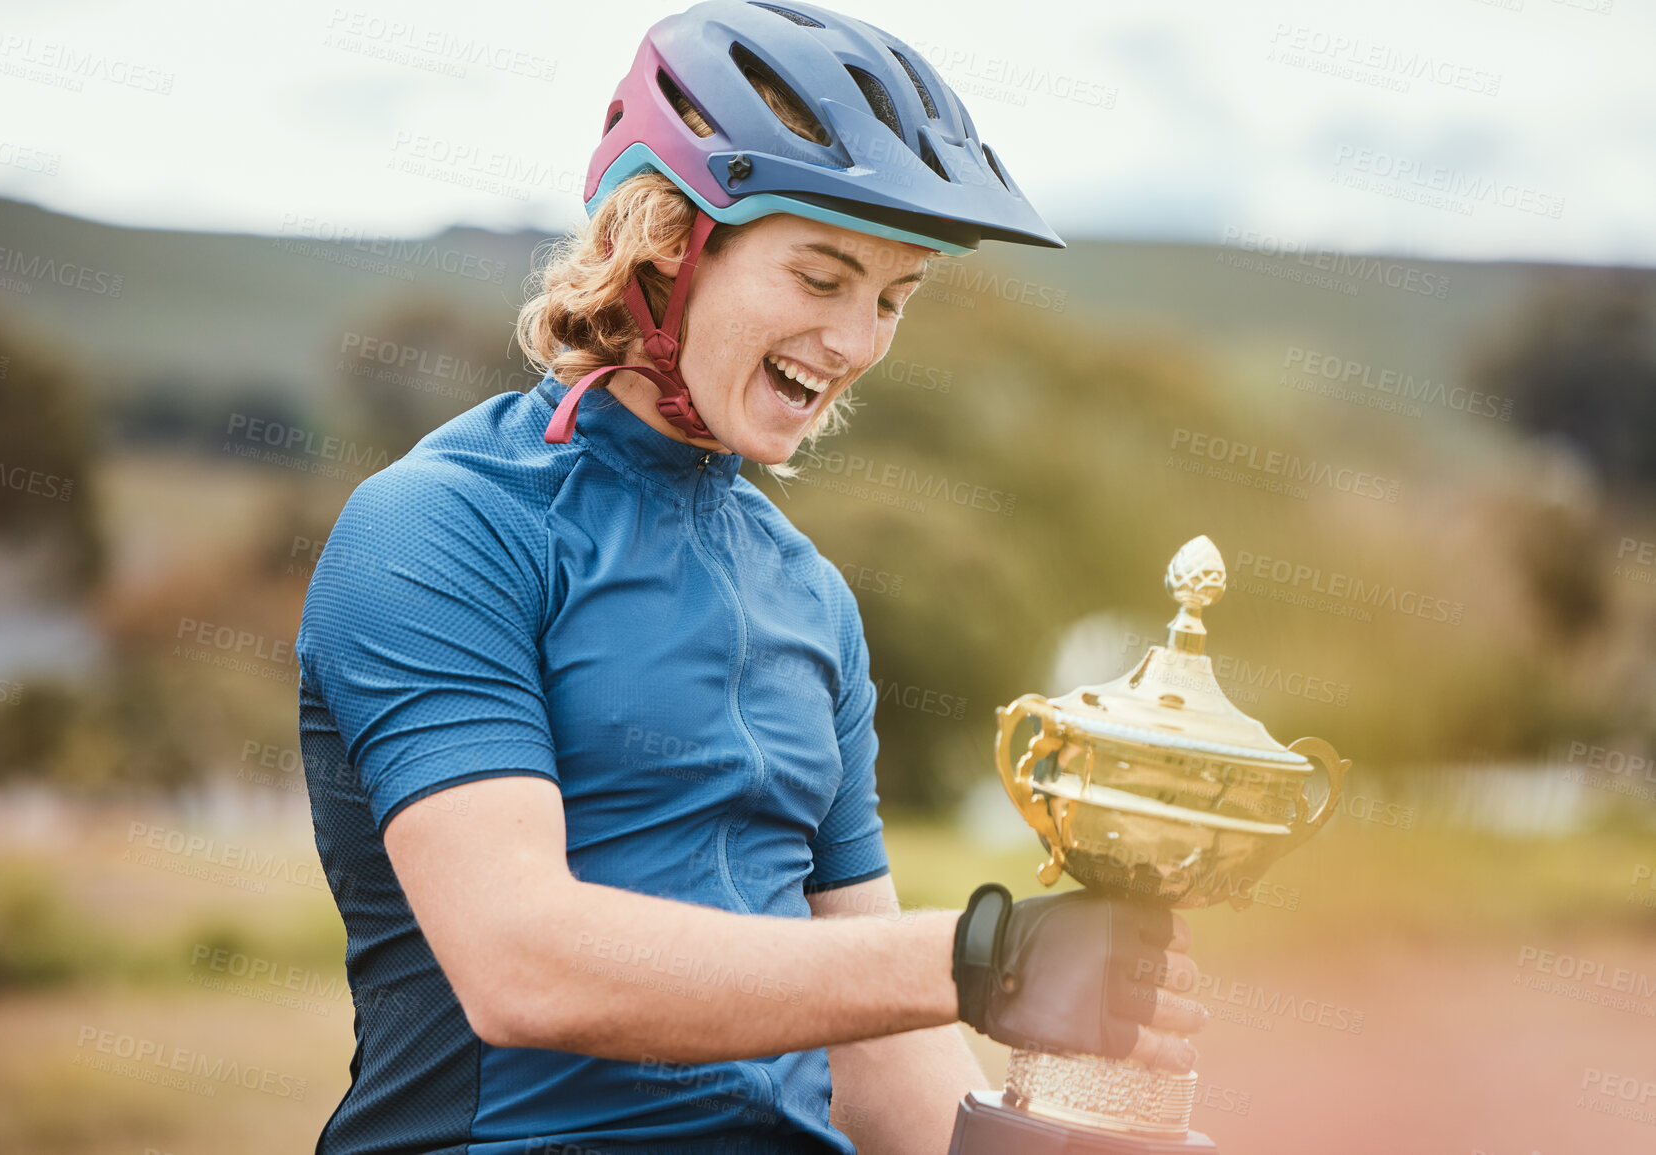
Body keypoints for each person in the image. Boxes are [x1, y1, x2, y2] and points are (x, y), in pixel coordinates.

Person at [295, 3, 1204, 1153]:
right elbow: (523, 966)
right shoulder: (440, 529)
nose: (857, 339)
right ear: (666, 242)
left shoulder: (808, 595)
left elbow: (878, 1046)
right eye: (821, 276)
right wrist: (983, 957)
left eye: (891, 297)